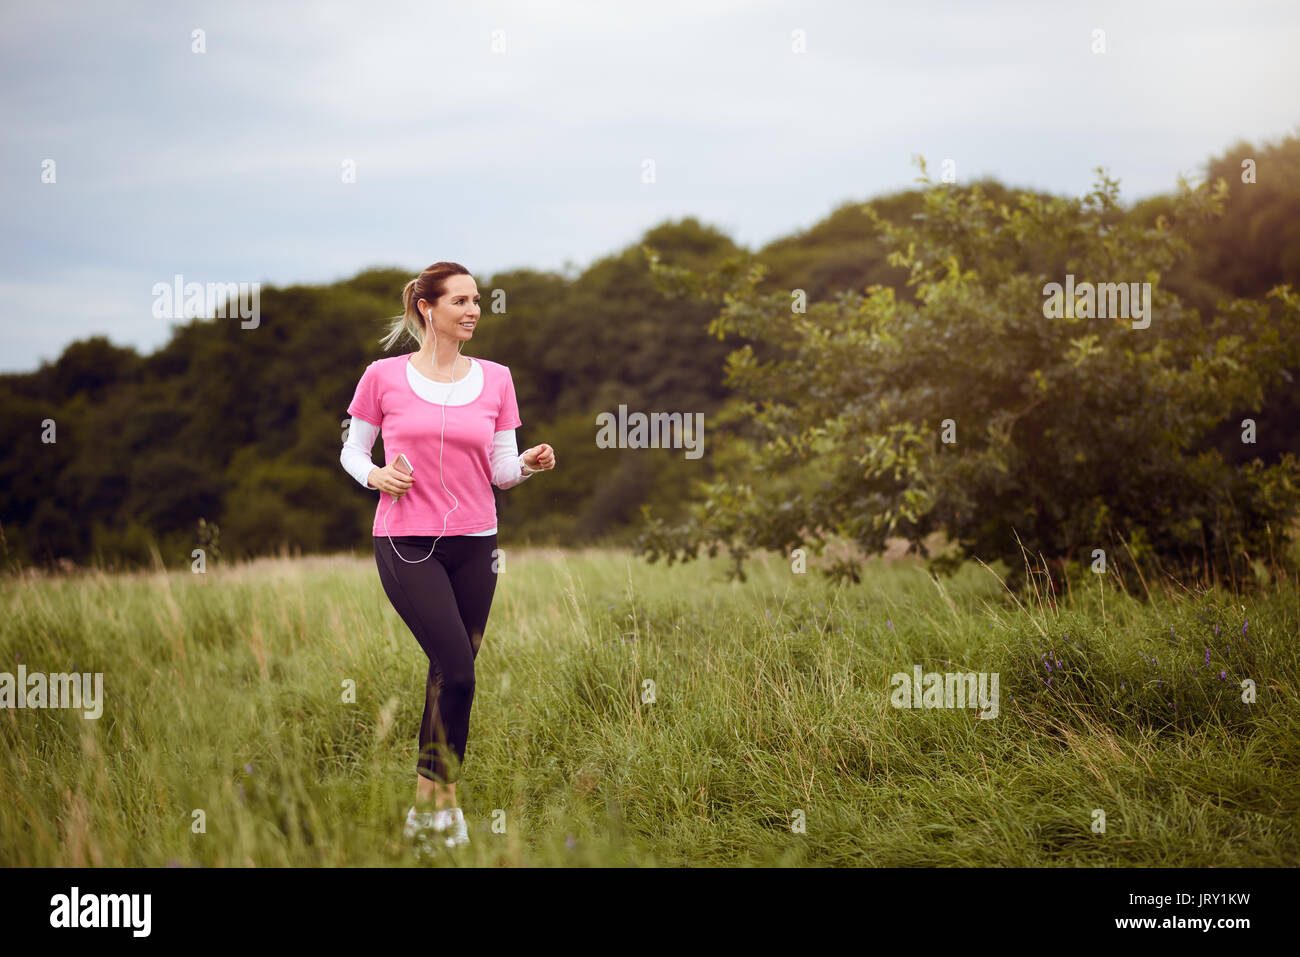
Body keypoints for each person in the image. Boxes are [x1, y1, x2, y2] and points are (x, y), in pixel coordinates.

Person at [339, 261, 555, 851]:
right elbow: (352, 451)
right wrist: (376, 475)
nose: (473, 309)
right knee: (457, 668)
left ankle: (427, 814)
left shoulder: (497, 378)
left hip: (476, 545)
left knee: (452, 676)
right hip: (406, 542)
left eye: (477, 299)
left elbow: (501, 472)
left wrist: (530, 466)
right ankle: (445, 807)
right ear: (427, 308)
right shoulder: (382, 376)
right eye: (459, 300)